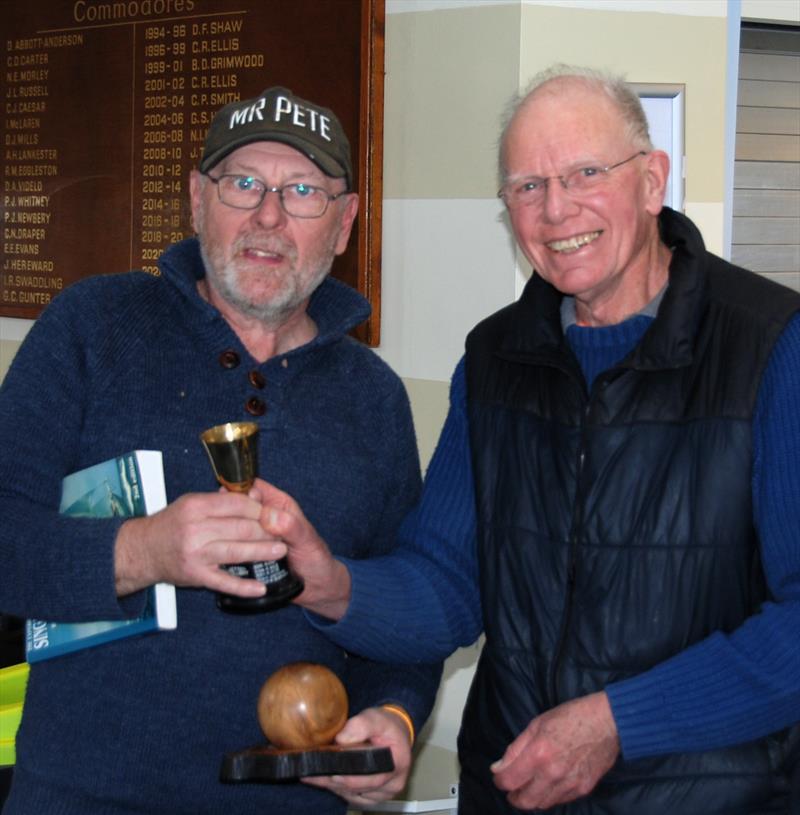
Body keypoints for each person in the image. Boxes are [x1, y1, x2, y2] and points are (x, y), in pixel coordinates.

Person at [253, 65, 800, 813]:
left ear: (651, 181)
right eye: (527, 187)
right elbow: (447, 584)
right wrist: (327, 580)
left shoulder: (772, 345)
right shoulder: (493, 360)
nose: (556, 209)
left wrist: (617, 723)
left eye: (585, 173)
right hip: (513, 790)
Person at [0, 86, 441, 815]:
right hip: (80, 795)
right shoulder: (91, 327)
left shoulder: (375, 397)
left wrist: (393, 715)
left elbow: (409, 609)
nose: (268, 216)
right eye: (244, 184)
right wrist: (144, 550)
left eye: (302, 191)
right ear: (198, 200)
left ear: (344, 223)